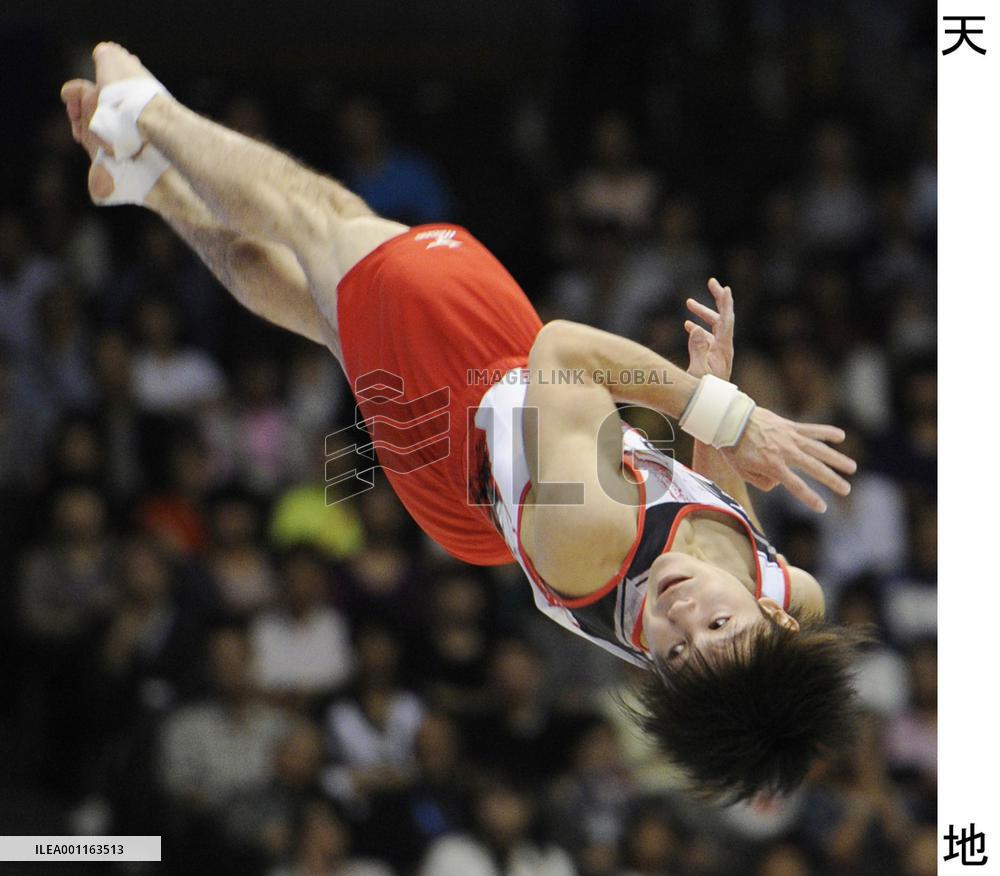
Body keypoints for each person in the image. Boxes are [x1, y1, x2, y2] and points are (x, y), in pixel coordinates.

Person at [61, 43, 864, 800]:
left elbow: (563, 350)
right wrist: (713, 414)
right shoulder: (799, 599)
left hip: (460, 420)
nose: (683, 613)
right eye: (717, 622)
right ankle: (149, 187)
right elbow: (719, 504)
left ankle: (145, 113)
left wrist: (722, 408)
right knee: (324, 305)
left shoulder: (591, 540)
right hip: (498, 480)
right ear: (776, 617)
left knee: (328, 222)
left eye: (677, 654)